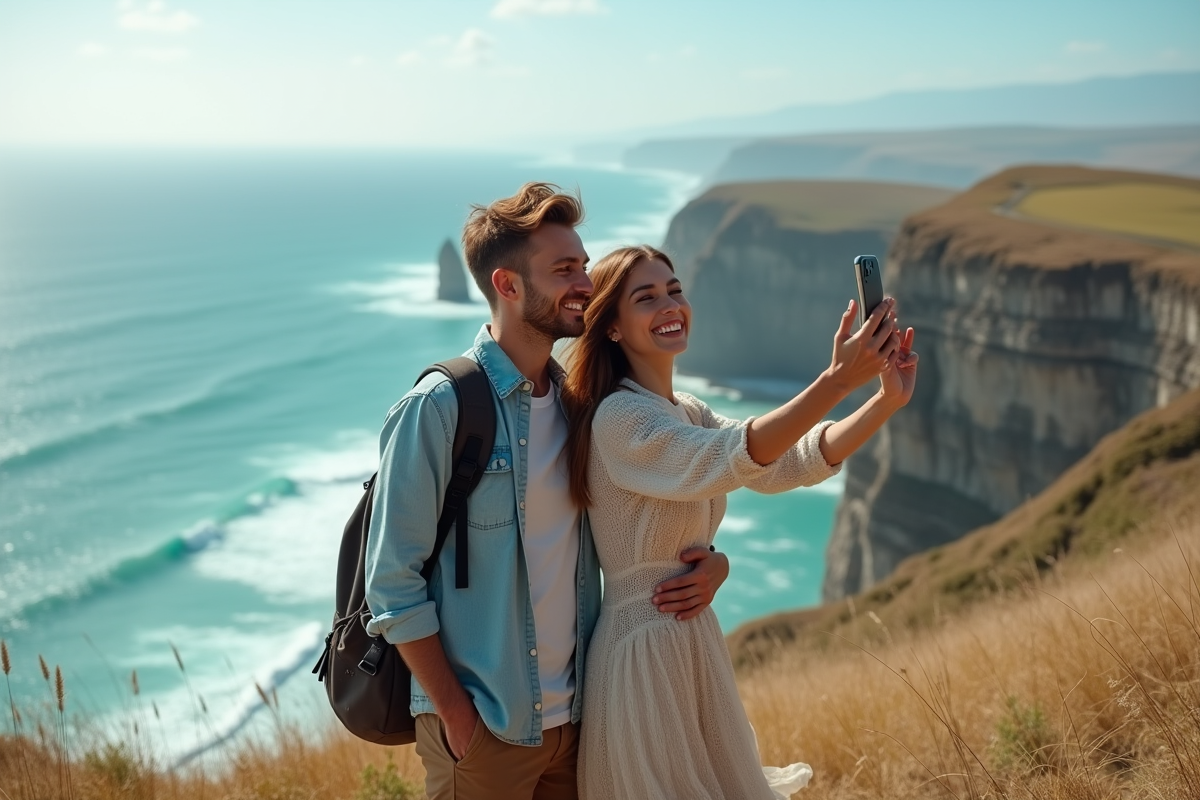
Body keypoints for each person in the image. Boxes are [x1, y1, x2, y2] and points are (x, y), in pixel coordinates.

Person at [363, 185, 733, 800]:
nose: (585, 282)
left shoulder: (582, 407)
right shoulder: (440, 408)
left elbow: (635, 523)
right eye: (564, 270)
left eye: (583, 265)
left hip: (585, 722)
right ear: (507, 286)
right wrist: (457, 715)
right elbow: (392, 585)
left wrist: (712, 564)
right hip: (489, 728)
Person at [562, 245, 919, 799]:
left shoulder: (689, 409)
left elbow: (783, 464)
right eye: (646, 297)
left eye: (674, 289)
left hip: (692, 643)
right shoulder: (618, 417)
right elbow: (737, 452)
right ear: (610, 326)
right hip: (643, 656)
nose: (669, 304)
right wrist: (835, 380)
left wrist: (884, 402)